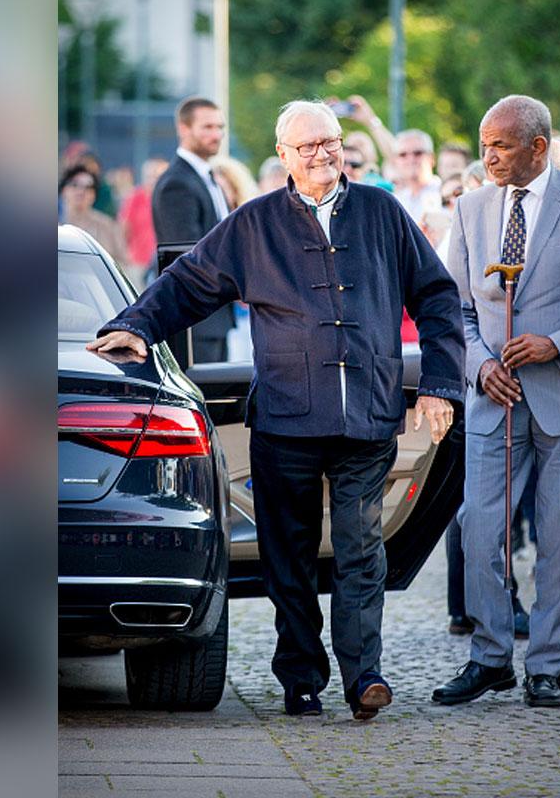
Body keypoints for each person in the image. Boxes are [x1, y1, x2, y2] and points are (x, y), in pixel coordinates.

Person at [88, 100, 464, 722]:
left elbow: (437, 298)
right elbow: (189, 283)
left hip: (368, 416)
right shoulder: (254, 223)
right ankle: (301, 679)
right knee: (286, 557)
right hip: (286, 421)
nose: (322, 154)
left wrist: (440, 384)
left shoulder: (381, 210)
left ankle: (364, 675)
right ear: (283, 155)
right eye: (308, 145)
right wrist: (136, 326)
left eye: (330, 142)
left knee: (361, 549)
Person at [433, 94, 560, 709]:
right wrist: (479, 367)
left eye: (500, 145)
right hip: (495, 400)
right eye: (484, 144)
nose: (488, 156)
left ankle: (547, 666)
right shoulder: (470, 209)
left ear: (538, 147)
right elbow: (454, 311)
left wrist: (558, 344)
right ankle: (490, 657)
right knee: (479, 530)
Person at [150, 96, 235, 364]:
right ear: (184, 129)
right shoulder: (177, 183)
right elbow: (189, 255)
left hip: (215, 317)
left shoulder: (207, 178)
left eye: (220, 127)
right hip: (194, 322)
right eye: (207, 127)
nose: (217, 134)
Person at [118, 157, 167, 288]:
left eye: (157, 176)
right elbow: (123, 228)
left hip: (162, 262)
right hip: (138, 263)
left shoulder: (168, 198)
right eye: (150, 176)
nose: (153, 180)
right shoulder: (135, 197)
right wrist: (125, 256)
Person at [59, 163, 120, 259]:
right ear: (63, 190)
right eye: (75, 185)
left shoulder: (107, 226)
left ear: (94, 195)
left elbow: (124, 263)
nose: (81, 191)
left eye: (88, 187)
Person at [389, 129, 442, 226]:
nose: (411, 159)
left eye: (417, 153)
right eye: (403, 155)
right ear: (395, 161)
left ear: (432, 158)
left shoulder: (446, 193)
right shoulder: (394, 200)